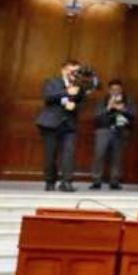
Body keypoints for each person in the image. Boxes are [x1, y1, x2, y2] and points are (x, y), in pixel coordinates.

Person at [35, 58, 85, 191]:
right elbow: (48, 96)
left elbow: (81, 102)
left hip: (69, 124)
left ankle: (66, 182)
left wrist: (75, 105)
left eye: (77, 71)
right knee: (50, 154)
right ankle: (50, 181)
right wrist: (66, 92)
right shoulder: (52, 81)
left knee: (69, 153)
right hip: (51, 123)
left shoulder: (79, 85)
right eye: (72, 70)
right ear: (63, 69)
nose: (74, 73)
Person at [87, 79, 138, 190]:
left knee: (117, 156)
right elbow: (96, 117)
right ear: (109, 90)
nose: (115, 91)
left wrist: (123, 110)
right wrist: (108, 108)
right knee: (99, 155)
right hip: (103, 130)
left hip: (120, 131)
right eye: (113, 89)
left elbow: (134, 115)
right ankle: (96, 180)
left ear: (121, 90)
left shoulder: (128, 101)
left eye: (118, 89)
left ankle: (114, 180)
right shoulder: (102, 100)